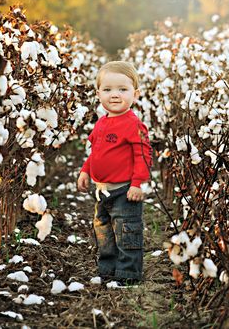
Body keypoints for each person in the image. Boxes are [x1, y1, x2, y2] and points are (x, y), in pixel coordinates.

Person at [77, 61, 152, 287]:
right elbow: (96, 153)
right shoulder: (101, 123)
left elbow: (143, 156)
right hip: (103, 192)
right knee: (104, 232)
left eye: (123, 89)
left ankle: (128, 274)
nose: (115, 95)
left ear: (135, 94)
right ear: (98, 93)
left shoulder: (134, 124)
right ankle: (108, 270)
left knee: (127, 233)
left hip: (124, 191)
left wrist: (137, 183)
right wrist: (85, 171)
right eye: (108, 90)